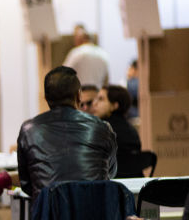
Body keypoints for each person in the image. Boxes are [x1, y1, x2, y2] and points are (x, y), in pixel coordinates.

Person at [16, 65, 117, 197]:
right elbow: (110, 173)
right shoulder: (102, 128)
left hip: (49, 214)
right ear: (79, 96)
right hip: (93, 212)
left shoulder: (29, 131)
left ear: (46, 98)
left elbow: (27, 184)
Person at [92, 84, 144, 178]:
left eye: (101, 99)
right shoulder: (133, 132)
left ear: (114, 105)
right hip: (134, 186)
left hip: (110, 186)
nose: (94, 103)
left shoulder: (101, 130)